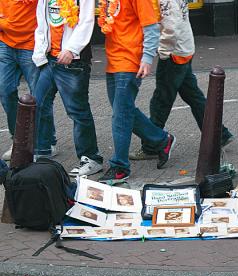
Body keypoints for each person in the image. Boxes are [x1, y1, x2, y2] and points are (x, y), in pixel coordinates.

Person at [129, 0, 234, 161]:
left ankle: (152, 145)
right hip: (183, 49)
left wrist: (163, 51)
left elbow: (171, 24)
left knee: (161, 101)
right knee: (193, 96)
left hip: (174, 54)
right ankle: (219, 135)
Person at [97, 0, 175, 183]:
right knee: (124, 111)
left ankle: (120, 167)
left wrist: (147, 58)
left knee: (120, 115)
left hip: (130, 60)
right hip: (113, 60)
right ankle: (162, 140)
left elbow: (151, 28)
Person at [32, 0, 103, 176]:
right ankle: (42, 151)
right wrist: (40, 51)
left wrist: (72, 49)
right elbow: (42, 21)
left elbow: (87, 21)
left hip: (73, 63)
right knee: (37, 104)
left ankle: (91, 158)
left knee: (77, 111)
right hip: (49, 60)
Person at [0, 0, 56, 161]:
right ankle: (18, 141)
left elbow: (17, 24)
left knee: (38, 97)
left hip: (31, 44)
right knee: (5, 91)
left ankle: (45, 141)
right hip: (5, 43)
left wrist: (4, 22)